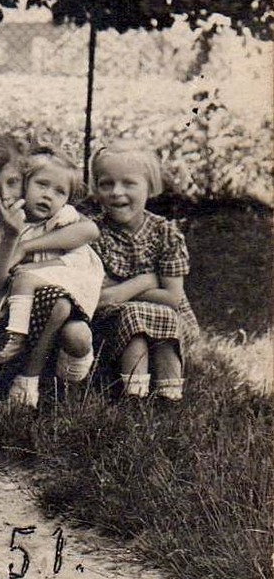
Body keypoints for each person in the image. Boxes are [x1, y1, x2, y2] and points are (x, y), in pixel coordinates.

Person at [0, 132, 94, 392]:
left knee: (67, 319)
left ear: (23, 180)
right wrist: (11, 239)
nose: (5, 195)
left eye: (12, 183)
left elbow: (89, 231)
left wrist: (24, 248)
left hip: (51, 298)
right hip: (3, 300)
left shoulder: (51, 214)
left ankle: (52, 380)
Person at [88, 141, 197, 401]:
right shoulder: (93, 234)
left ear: (150, 186)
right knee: (133, 313)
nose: (116, 192)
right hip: (109, 323)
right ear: (96, 188)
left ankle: (168, 394)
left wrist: (120, 290)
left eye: (129, 183)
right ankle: (133, 395)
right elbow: (100, 298)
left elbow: (172, 297)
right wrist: (145, 281)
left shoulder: (165, 233)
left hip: (169, 325)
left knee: (149, 313)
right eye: (106, 183)